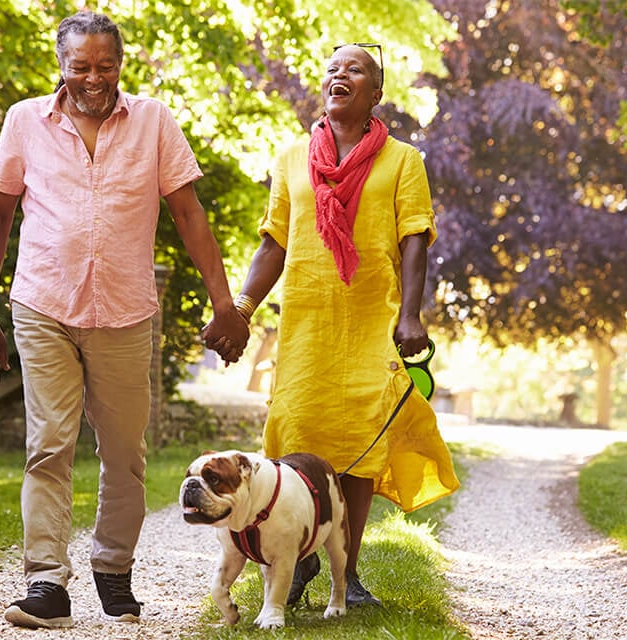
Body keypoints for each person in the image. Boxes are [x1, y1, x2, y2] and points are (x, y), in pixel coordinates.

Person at [0, 10, 249, 629]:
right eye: (81, 67)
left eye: (106, 65)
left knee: (124, 454)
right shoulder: (24, 122)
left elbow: (188, 212)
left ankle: (113, 568)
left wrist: (223, 302)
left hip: (124, 312)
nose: (94, 78)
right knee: (48, 447)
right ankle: (46, 582)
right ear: (61, 67)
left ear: (121, 64)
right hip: (43, 305)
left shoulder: (153, 121)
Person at [222, 43, 460, 607]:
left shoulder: (403, 161)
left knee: (358, 451)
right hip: (306, 323)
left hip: (371, 321)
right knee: (296, 438)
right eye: (332, 68)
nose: (339, 74)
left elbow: (414, 240)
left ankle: (345, 577)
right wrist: (242, 307)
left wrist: (410, 315)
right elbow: (274, 243)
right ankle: (296, 561)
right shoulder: (291, 159)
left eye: (354, 68)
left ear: (376, 92)